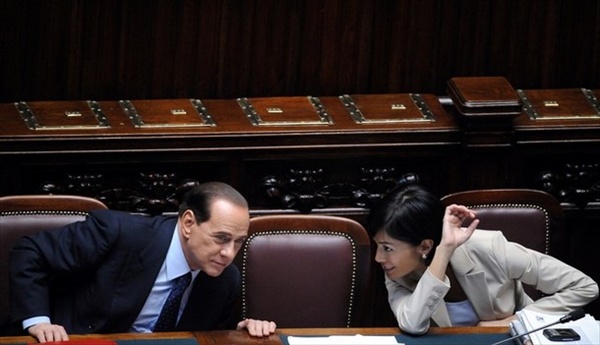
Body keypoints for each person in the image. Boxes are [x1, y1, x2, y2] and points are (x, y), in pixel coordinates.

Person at [8, 182, 277, 343]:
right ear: (188, 224)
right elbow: (30, 252)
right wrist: (38, 321)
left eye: (239, 241)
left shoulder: (224, 280)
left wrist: (238, 333)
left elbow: (203, 337)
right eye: (221, 238)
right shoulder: (119, 233)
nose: (229, 253)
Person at [367, 184, 598, 335]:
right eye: (377, 246)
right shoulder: (398, 274)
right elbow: (412, 324)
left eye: (387, 248)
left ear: (425, 245)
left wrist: (513, 322)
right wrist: (444, 250)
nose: (379, 258)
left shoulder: (490, 248)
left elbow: (584, 286)